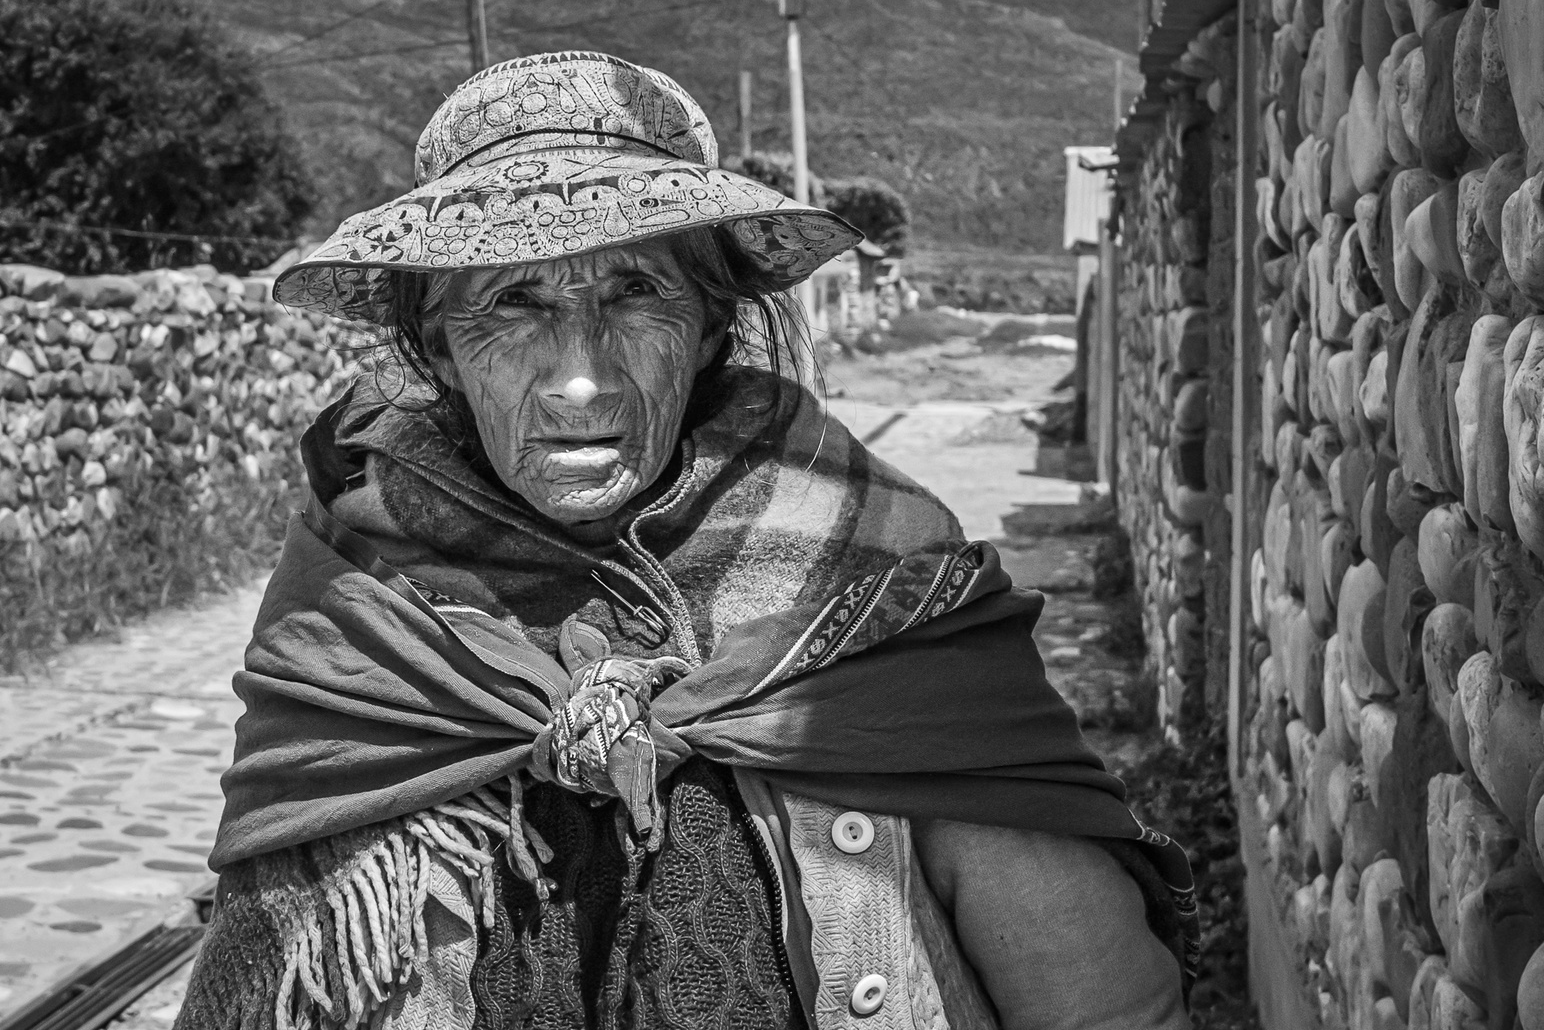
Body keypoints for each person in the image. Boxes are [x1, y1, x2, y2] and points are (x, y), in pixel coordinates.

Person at [176, 51, 1195, 1030]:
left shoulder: (874, 579)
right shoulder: (357, 602)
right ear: (438, 347)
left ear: (711, 327)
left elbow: (1102, 1004)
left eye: (636, 296)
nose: (582, 380)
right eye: (512, 306)